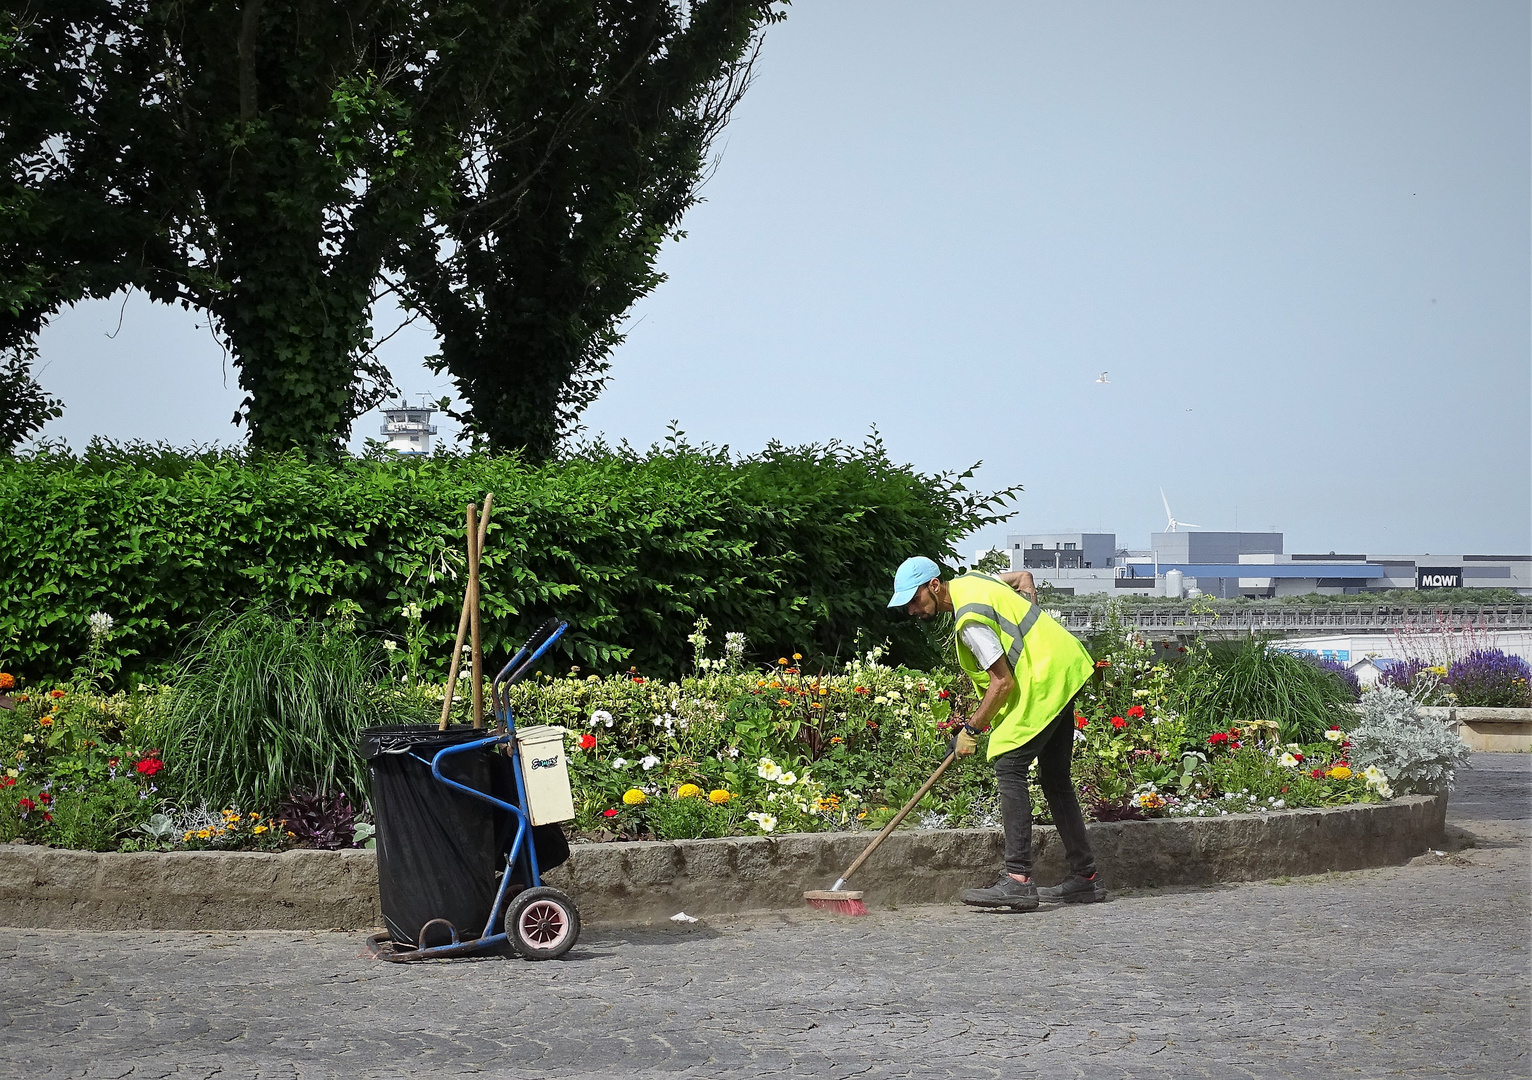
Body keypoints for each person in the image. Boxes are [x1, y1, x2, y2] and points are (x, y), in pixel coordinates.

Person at [887, 556, 1105, 910]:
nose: (912, 610)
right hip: (1065, 668)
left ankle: (1018, 880)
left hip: (1045, 680)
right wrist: (1026, 581)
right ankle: (1086, 879)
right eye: (907, 605)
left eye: (915, 599)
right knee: (1055, 778)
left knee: (1009, 766)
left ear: (934, 586)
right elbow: (1019, 577)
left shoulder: (970, 619)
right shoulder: (974, 581)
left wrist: (970, 730)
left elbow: (1002, 682)